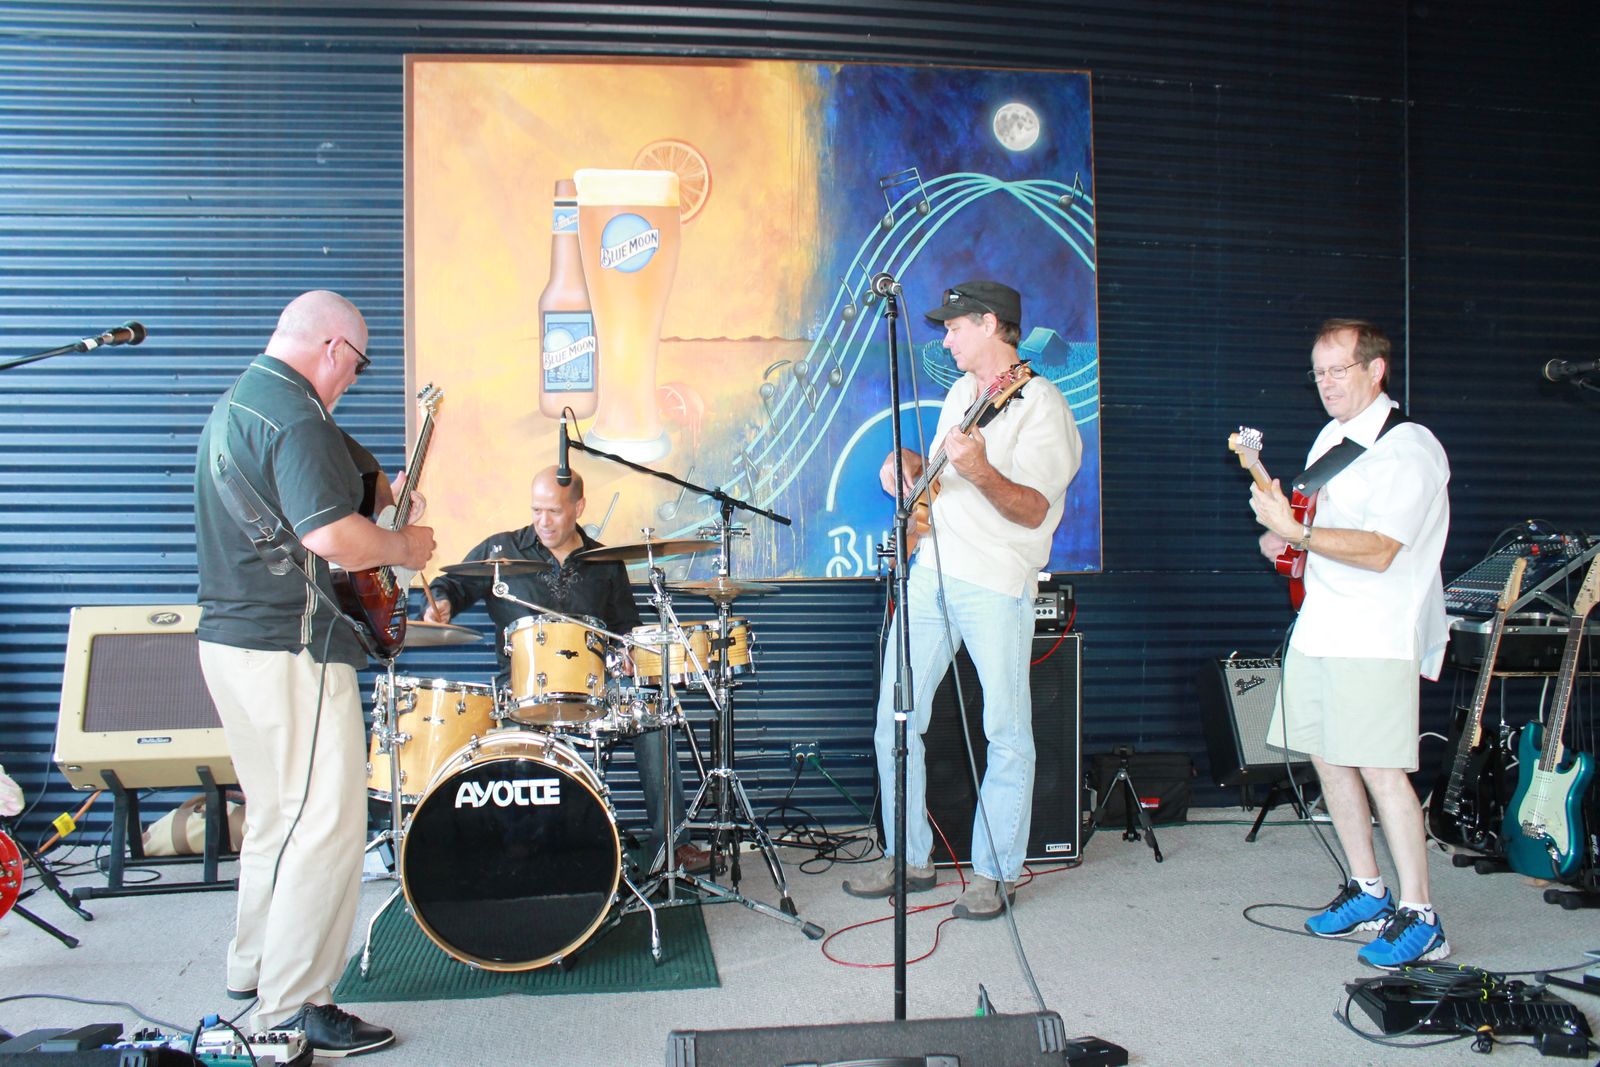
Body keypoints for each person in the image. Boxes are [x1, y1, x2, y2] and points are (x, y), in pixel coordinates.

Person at [194, 290, 436, 1055]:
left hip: (230, 643)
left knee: (275, 814)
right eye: (355, 366)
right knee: (326, 820)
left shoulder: (239, 405)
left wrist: (386, 496)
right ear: (333, 347)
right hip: (289, 650)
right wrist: (404, 546)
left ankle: (252, 965)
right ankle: (295, 1004)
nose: (352, 380)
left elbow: (345, 488)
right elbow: (332, 534)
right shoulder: (297, 416)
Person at [842, 280, 1082, 918]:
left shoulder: (1041, 405)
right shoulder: (960, 395)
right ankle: (908, 857)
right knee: (896, 721)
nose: (945, 340)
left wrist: (979, 470)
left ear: (991, 324)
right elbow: (942, 482)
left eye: (954, 328)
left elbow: (1033, 509)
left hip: (996, 582)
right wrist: (907, 465)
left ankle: (995, 873)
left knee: (1005, 731)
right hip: (932, 573)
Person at [1249, 318, 1451, 969]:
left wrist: (1299, 536)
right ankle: (1369, 890)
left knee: (1381, 769)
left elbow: (1383, 549)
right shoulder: (1332, 438)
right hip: (1322, 624)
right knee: (1329, 758)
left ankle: (1422, 915)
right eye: (1319, 372)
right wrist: (1285, 538)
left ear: (1375, 369)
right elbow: (1317, 529)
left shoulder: (1408, 448)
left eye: (1338, 369)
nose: (1327, 383)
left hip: (1376, 631)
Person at [424, 465, 710, 875]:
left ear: (579, 507)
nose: (543, 521)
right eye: (536, 510)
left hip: (593, 688)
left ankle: (671, 845)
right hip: (521, 690)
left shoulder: (605, 562)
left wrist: (630, 651)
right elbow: (453, 584)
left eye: (554, 512)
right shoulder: (502, 551)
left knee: (655, 719)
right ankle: (530, 855)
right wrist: (442, 600)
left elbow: (624, 627)